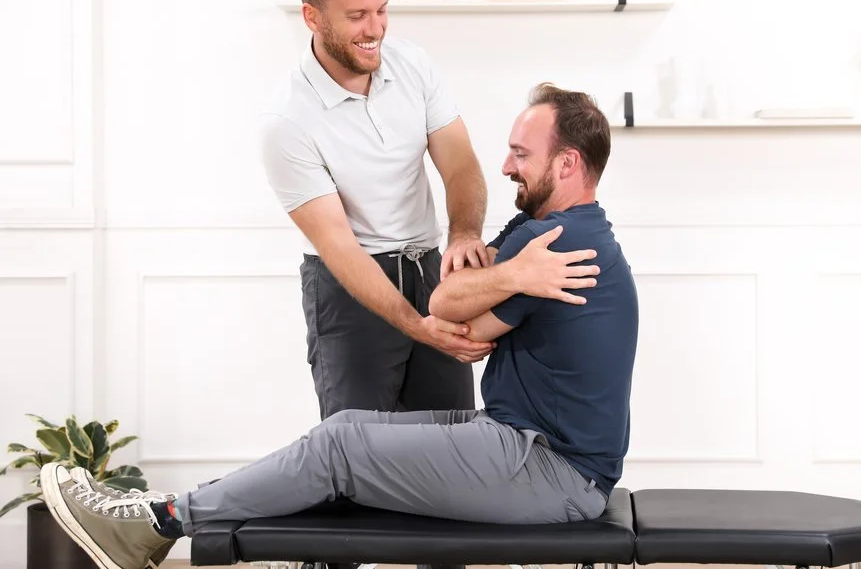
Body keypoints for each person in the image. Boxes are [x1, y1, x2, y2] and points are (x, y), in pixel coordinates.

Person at [38, 84, 641, 569]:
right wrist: (511, 278)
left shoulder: (561, 244)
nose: (506, 165)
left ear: (567, 163)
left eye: (521, 153)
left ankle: (158, 523)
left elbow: (448, 301)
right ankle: (175, 515)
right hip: (523, 443)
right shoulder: (545, 236)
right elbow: (449, 306)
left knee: (339, 448)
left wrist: (497, 282)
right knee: (347, 429)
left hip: (551, 469)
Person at [261, 0, 494, 419]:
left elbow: (460, 163)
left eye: (382, 11)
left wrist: (464, 234)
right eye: (356, 17)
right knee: (355, 455)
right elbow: (340, 248)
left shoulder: (414, 65)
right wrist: (414, 324)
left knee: (448, 443)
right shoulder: (287, 120)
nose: (376, 30)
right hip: (349, 291)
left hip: (430, 272)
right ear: (312, 17)